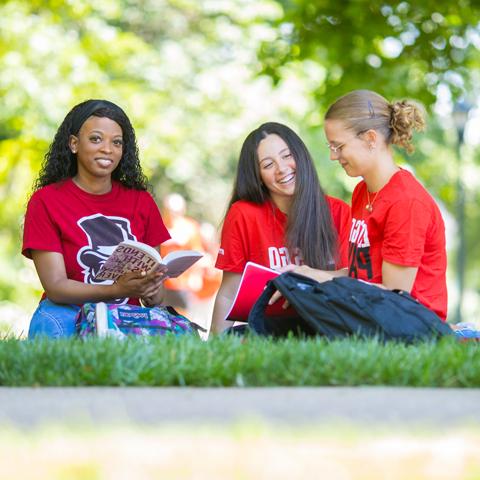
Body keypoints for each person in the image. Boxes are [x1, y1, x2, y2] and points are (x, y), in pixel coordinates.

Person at [272, 90, 447, 321]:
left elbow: (394, 297)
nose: (334, 157)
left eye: (338, 146)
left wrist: (319, 281)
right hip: (368, 313)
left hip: (410, 325)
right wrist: (308, 274)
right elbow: (360, 277)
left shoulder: (406, 202)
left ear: (370, 139)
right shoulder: (362, 193)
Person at [22, 99, 171, 339]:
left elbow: (157, 296)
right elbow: (56, 287)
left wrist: (151, 290)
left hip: (125, 318)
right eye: (96, 139)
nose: (107, 149)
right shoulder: (46, 201)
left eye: (117, 142)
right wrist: (116, 290)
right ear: (73, 144)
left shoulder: (141, 201)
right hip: (66, 313)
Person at [210, 122, 351, 335]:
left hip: (327, 325)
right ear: (258, 176)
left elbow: (352, 277)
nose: (282, 169)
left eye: (287, 156)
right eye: (268, 165)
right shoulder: (244, 215)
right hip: (269, 328)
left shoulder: (338, 212)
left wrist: (309, 274)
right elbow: (229, 293)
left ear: (301, 156)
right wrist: (214, 346)